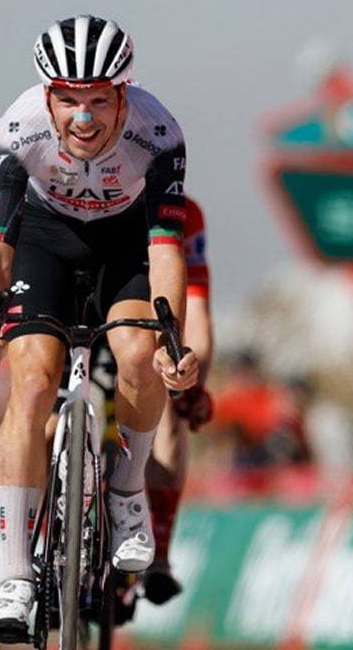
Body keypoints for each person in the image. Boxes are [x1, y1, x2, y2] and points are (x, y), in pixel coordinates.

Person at [0, 15, 199, 643]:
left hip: (125, 246)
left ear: (123, 94)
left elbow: (166, 250)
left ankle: (126, 490)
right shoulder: (17, 130)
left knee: (139, 353)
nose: (84, 119)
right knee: (32, 380)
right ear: (48, 98)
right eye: (69, 101)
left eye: (98, 101)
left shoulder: (159, 133)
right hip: (44, 242)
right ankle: (16, 575)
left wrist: (172, 340)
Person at [143, 196, 214, 605]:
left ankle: (160, 552)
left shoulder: (187, 214)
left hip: (146, 328)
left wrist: (195, 382)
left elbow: (197, 304)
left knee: (167, 412)